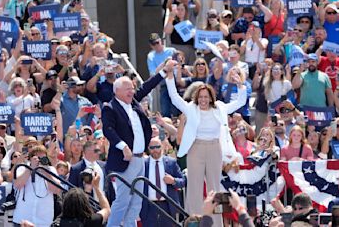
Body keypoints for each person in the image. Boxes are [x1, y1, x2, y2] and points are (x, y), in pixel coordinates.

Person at [164, 59, 247, 227]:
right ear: (196, 98)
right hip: (196, 147)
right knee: (194, 186)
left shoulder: (220, 108)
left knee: (215, 186)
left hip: (215, 148)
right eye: (200, 97)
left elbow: (240, 102)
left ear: (211, 97)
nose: (203, 100)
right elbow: (174, 97)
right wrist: (171, 76)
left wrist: (240, 85)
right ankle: (193, 222)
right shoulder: (190, 108)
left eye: (206, 97)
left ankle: (217, 224)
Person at [102, 72, 165, 227]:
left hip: (139, 158)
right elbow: (108, 130)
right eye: (127, 89)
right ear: (117, 91)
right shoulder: (110, 108)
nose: (131, 91)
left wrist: (163, 72)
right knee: (123, 200)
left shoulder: (133, 103)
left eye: (132, 88)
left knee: (137, 200)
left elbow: (147, 86)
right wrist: (123, 146)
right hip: (125, 160)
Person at [140, 137, 186, 227]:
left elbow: (183, 181)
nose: (155, 150)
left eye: (157, 147)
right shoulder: (143, 164)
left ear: (162, 146)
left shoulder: (171, 162)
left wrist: (173, 181)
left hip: (168, 206)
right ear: (148, 149)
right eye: (152, 148)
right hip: (149, 207)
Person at [13, 145, 61, 227]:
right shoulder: (23, 168)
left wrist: (45, 171)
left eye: (43, 158)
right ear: (31, 158)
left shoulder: (51, 170)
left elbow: (57, 190)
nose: (40, 160)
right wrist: (31, 168)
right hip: (23, 219)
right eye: (37, 158)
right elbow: (18, 185)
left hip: (44, 221)